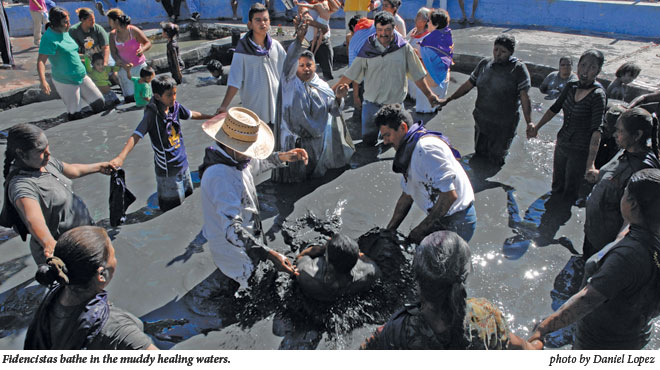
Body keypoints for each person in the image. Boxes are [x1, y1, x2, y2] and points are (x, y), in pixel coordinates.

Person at [529, 168, 660, 349]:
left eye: (625, 193)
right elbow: (628, 228)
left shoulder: (627, 257)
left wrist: (544, 328)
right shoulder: (648, 234)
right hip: (634, 333)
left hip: (602, 342)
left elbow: (587, 299)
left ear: (633, 204)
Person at [362, 231, 542, 349]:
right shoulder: (486, 314)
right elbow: (520, 348)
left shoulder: (400, 329)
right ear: (464, 275)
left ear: (417, 280)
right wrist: (538, 341)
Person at [198, 107, 309, 290]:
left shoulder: (235, 159)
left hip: (249, 235)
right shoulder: (220, 177)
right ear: (231, 145)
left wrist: (283, 157)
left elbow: (256, 165)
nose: (250, 154)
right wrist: (271, 255)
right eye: (247, 150)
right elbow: (232, 231)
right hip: (234, 249)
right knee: (243, 284)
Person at [24, 226, 157, 350]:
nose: (115, 260)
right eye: (113, 255)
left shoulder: (53, 296)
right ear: (101, 274)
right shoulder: (117, 328)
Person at [0, 124, 114, 265]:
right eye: (41, 150)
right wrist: (48, 242)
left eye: (48, 146)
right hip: (65, 253)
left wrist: (99, 167)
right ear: (22, 154)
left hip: (83, 238)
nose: (48, 153)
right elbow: (33, 219)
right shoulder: (21, 185)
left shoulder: (45, 163)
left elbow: (72, 170)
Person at [334, 11, 440, 146]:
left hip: (394, 105)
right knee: (368, 142)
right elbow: (351, 75)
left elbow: (418, 75)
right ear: (375, 29)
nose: (383, 33)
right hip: (371, 104)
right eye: (380, 30)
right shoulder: (367, 49)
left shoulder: (404, 48)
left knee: (398, 144)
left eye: (387, 30)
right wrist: (331, 92)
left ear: (394, 28)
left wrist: (429, 95)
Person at [110, 76, 213, 211]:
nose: (174, 97)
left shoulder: (174, 107)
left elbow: (191, 114)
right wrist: (121, 157)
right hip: (167, 172)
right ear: (157, 96)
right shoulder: (152, 115)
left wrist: (211, 117)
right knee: (172, 207)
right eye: (169, 95)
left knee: (188, 200)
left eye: (175, 93)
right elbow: (136, 135)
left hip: (183, 165)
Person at [376, 104, 476, 243]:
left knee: (436, 262)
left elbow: (449, 196)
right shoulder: (409, 149)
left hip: (457, 220)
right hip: (441, 216)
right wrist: (388, 232)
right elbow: (407, 195)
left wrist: (420, 230)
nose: (385, 141)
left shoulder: (426, 149)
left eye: (388, 135)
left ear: (403, 128)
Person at [272, 22, 354, 182]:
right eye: (301, 65)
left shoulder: (322, 86)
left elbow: (334, 110)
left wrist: (338, 97)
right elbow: (290, 60)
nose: (305, 69)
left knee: (314, 178)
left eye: (309, 65)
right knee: (294, 181)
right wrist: (299, 39)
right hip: (294, 140)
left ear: (315, 66)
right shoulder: (289, 82)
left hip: (317, 140)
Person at [440, 34, 531, 166]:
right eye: (496, 50)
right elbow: (468, 85)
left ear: (511, 53)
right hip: (482, 120)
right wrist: (448, 99)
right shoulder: (484, 64)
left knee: (496, 160)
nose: (498, 54)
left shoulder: (518, 70)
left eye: (503, 52)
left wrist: (529, 122)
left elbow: (525, 97)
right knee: (479, 155)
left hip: (504, 125)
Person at [527, 49, 607, 201]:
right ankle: (550, 213)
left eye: (592, 68)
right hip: (562, 142)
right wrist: (536, 128)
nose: (585, 71)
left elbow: (597, 131)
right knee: (556, 184)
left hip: (580, 149)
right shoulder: (571, 87)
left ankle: (561, 215)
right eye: (583, 65)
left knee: (571, 189)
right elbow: (554, 109)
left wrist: (590, 164)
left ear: (598, 71)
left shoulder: (598, 95)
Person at [582, 108, 660, 258]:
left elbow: (636, 219)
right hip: (594, 230)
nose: (614, 135)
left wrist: (613, 249)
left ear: (637, 135)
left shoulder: (643, 170)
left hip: (606, 243)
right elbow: (615, 178)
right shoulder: (625, 150)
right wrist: (598, 175)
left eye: (620, 131)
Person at [216, 3, 286, 124]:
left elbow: (289, 71)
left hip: (277, 109)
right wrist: (224, 106)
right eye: (258, 20)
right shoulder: (242, 51)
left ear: (269, 22)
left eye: (265, 20)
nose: (262, 23)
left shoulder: (275, 46)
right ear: (250, 24)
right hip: (254, 112)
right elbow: (234, 82)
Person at [37, 7, 105, 121]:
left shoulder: (65, 32)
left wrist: (83, 57)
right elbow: (41, 61)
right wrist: (43, 81)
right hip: (66, 80)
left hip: (81, 75)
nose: (69, 24)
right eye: (65, 22)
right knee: (75, 115)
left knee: (99, 104)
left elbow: (70, 52)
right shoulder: (48, 38)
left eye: (69, 21)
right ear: (56, 23)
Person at [296, 233, 381, 302]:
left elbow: (300, 257)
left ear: (328, 261)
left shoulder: (306, 273)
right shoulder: (370, 273)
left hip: (317, 292)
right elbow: (370, 264)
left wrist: (321, 249)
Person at [108, 8, 151, 103]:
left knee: (145, 95)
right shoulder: (112, 35)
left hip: (139, 67)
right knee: (130, 98)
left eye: (109, 20)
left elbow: (148, 43)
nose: (108, 23)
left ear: (115, 21)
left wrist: (142, 49)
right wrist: (120, 62)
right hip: (124, 69)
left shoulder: (133, 30)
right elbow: (113, 53)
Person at [417, 8, 453, 114]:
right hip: (443, 81)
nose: (427, 23)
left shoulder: (426, 43)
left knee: (423, 114)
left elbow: (421, 63)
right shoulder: (447, 34)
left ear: (436, 24)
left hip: (431, 85)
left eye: (429, 21)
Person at [296, 0, 340, 80]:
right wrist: (323, 26)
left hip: (324, 42)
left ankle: (326, 89)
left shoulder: (324, 3)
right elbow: (307, 19)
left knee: (327, 73)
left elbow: (336, 8)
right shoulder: (304, 4)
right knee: (306, 72)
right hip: (308, 42)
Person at [405, 7, 430, 112]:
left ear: (425, 21)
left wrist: (416, 54)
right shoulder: (413, 31)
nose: (415, 19)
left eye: (418, 17)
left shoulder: (428, 37)